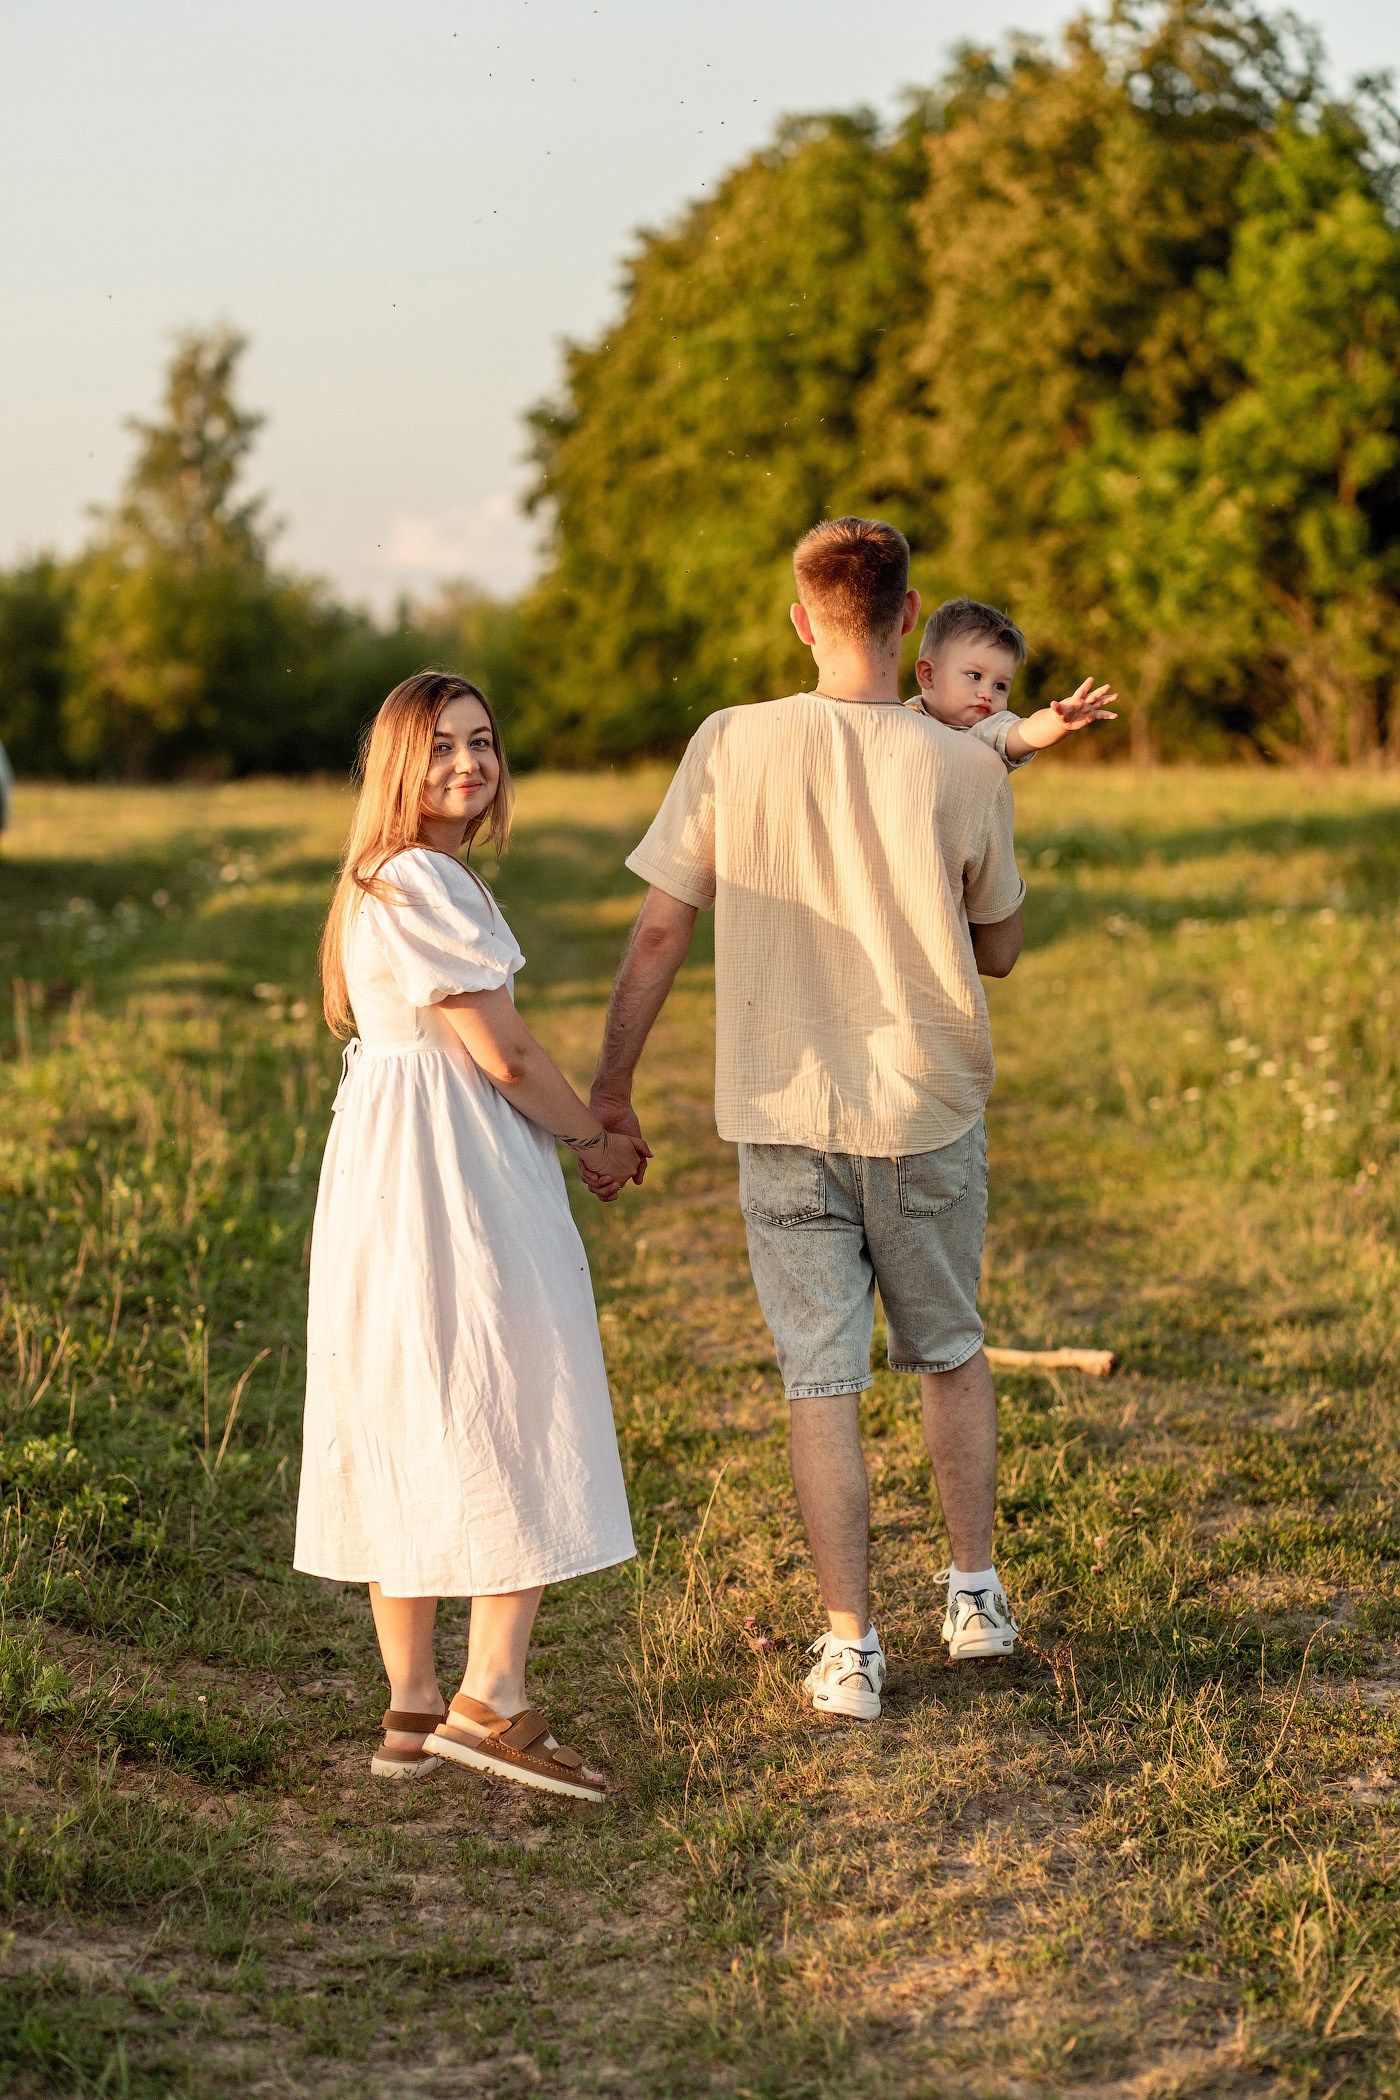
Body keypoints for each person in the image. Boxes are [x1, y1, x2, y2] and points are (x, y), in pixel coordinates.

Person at [587, 518, 1028, 1725]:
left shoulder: (731, 742)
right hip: (924, 1107)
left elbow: (662, 928)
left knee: (818, 1382)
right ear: (911, 618)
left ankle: (850, 1650)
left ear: (800, 619)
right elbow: (996, 948)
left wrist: (611, 1091)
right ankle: (973, 1595)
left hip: (781, 1112)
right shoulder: (966, 763)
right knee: (946, 1350)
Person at [295, 671, 641, 1802]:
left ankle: (408, 1706)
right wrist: (591, 1135)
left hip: (390, 1163)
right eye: (441, 746)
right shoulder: (422, 878)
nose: (467, 764)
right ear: (399, 761)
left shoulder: (374, 878)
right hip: (453, 1165)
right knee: (512, 1380)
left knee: (405, 1391)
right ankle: (490, 1696)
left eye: (483, 743)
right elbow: (502, 1055)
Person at [911, 596, 1117, 762]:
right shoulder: (900, 716)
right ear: (928, 675)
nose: (987, 694)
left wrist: (1056, 723)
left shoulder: (985, 733)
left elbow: (1023, 732)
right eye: (975, 676)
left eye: (1000, 686)